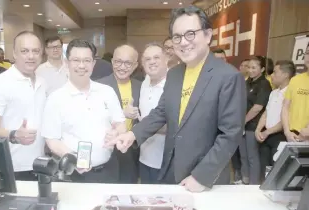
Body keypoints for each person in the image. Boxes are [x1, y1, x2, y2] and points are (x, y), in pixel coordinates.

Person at [108, 6, 246, 192]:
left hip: (204, 179)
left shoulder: (228, 77)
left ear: (207, 35)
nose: (183, 42)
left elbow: (230, 134)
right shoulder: (174, 74)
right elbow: (161, 112)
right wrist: (133, 134)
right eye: (177, 37)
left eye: (190, 34)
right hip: (170, 171)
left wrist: (201, 177)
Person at [41, 39, 126, 183]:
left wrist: (117, 133)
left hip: (108, 170)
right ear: (67, 63)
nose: (81, 65)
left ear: (93, 64)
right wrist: (73, 158)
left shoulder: (107, 92)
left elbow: (121, 124)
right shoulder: (56, 98)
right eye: (76, 60)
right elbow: (51, 140)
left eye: (87, 60)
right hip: (73, 174)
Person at [0, 31, 46, 181]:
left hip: (41, 164)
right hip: (13, 167)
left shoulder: (42, 82)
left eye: (35, 51)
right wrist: (14, 135)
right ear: (14, 54)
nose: (31, 56)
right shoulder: (1, 83)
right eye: (24, 51)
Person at [97, 44, 142, 183]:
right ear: (112, 62)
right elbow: (92, 116)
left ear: (135, 65)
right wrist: (123, 114)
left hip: (131, 150)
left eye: (128, 63)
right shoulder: (99, 87)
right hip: (106, 149)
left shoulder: (141, 87)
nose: (122, 67)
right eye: (118, 62)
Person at [255, 60, 295, 179]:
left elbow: (286, 118)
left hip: (279, 136)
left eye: (275, 72)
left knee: (277, 171)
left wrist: (267, 132)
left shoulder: (290, 93)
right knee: (264, 170)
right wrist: (258, 129)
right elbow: (266, 112)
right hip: (266, 136)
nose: (271, 75)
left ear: (285, 75)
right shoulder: (274, 92)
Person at [239, 56, 272, 185]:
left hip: (253, 125)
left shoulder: (264, 84)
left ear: (262, 69)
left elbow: (257, 107)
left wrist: (243, 121)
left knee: (252, 157)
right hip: (242, 125)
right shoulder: (247, 82)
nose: (250, 70)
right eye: (249, 67)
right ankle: (245, 180)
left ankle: (253, 185)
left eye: (254, 67)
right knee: (243, 155)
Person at [138, 42, 168, 184]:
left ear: (166, 60)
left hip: (165, 163)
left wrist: (144, 128)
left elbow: (179, 125)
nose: (152, 62)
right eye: (147, 59)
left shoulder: (173, 85)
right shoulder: (145, 81)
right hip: (144, 157)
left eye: (156, 57)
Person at [282, 45, 309, 142]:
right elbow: (285, 106)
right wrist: (287, 131)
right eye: (307, 53)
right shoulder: (295, 80)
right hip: (292, 135)